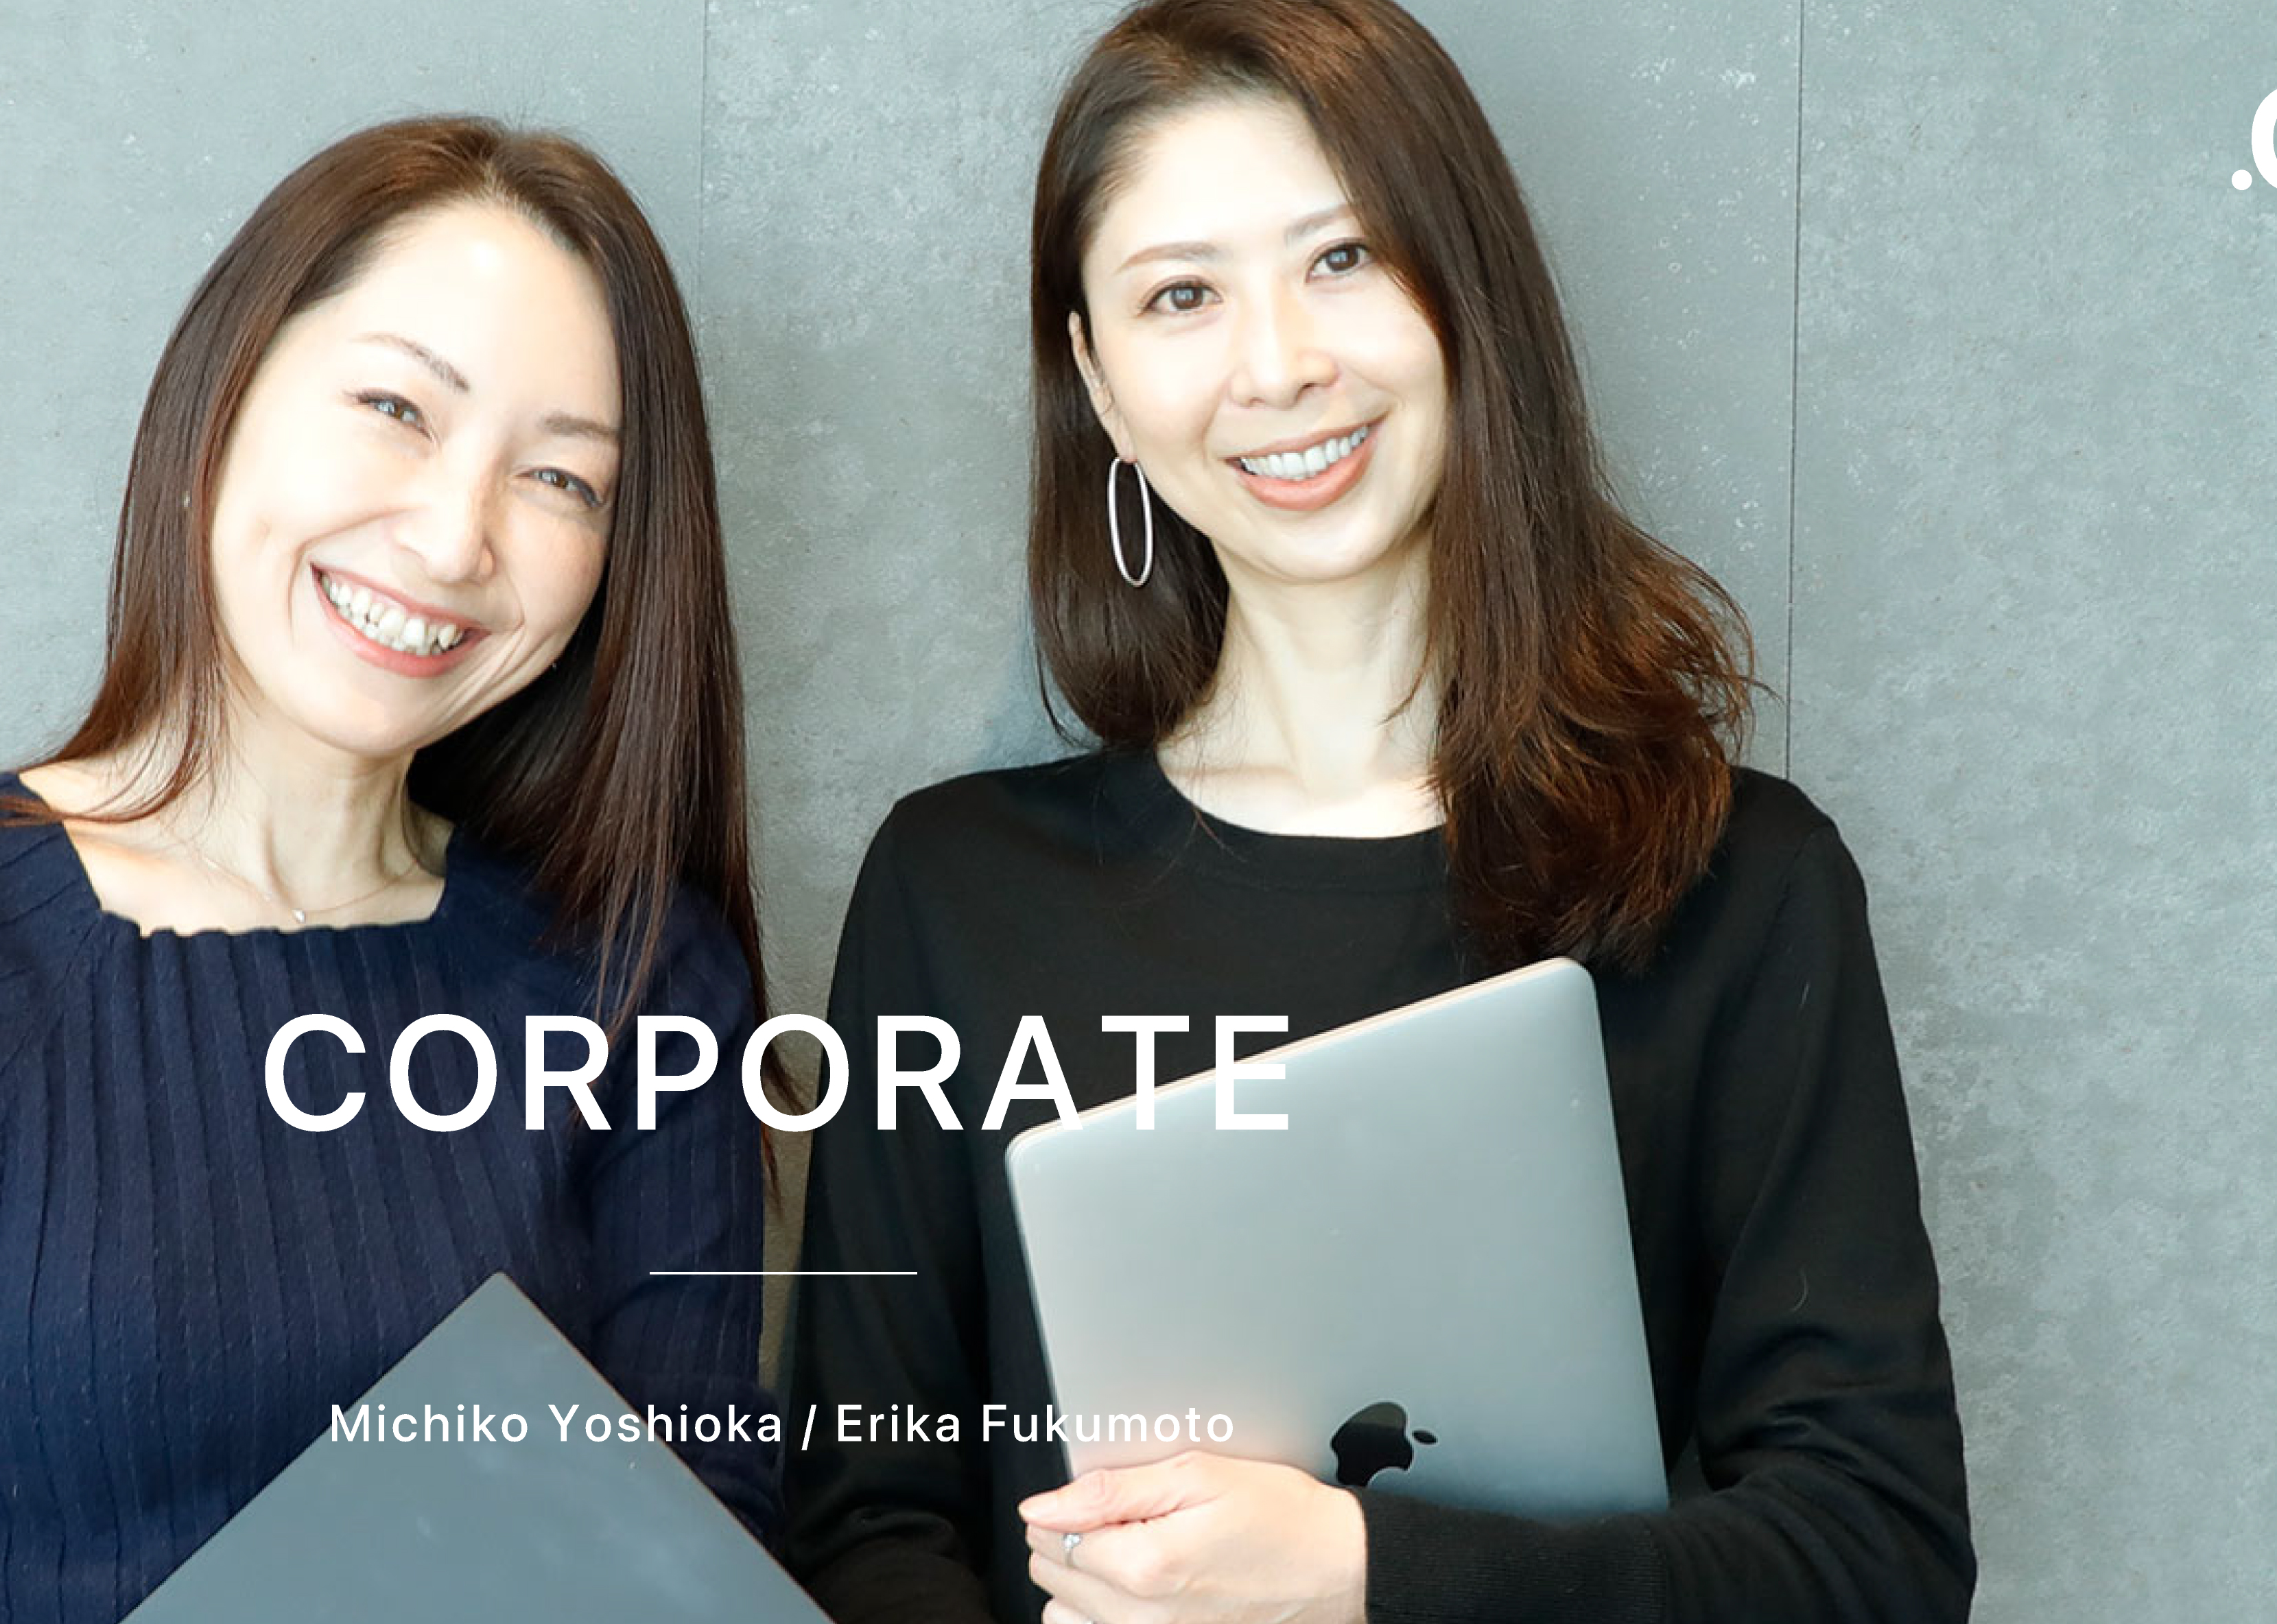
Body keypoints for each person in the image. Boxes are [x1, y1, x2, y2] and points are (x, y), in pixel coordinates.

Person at [779, 3, 1974, 1621]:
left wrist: (1358, 1567)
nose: (1279, 363)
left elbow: (1875, 1550)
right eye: (1182, 294)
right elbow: (865, 1519)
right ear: (1100, 382)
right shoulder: (960, 891)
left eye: (1341, 258)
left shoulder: (1734, 881)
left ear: (1463, 288)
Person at [0, 115, 777, 1621]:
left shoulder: (643, 985)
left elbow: (697, 1570)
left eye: (563, 480)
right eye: (396, 406)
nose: (457, 536)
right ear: (222, 396)